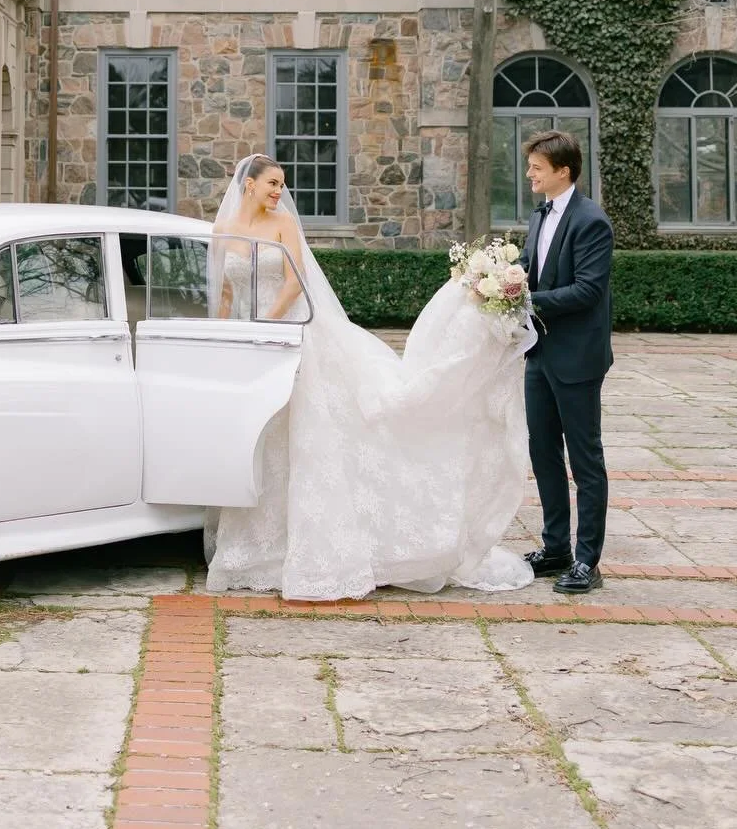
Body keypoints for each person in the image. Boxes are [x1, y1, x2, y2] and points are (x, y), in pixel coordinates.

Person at [206, 154, 536, 601]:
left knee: (304, 432)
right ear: (249, 185)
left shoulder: (282, 224)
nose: (279, 192)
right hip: (247, 342)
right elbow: (226, 292)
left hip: (286, 332)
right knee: (264, 437)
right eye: (272, 184)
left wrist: (266, 326)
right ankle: (260, 546)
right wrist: (224, 334)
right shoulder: (224, 230)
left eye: (282, 184)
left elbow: (293, 282)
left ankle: (318, 546)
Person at [518, 129, 614, 594]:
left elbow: (588, 290)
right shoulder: (539, 214)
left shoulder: (591, 220)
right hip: (539, 353)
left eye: (537, 168)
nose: (529, 174)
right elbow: (528, 266)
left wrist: (526, 300)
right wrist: (496, 279)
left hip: (577, 357)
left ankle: (587, 561)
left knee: (585, 458)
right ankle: (555, 548)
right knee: (543, 453)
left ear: (563, 170)